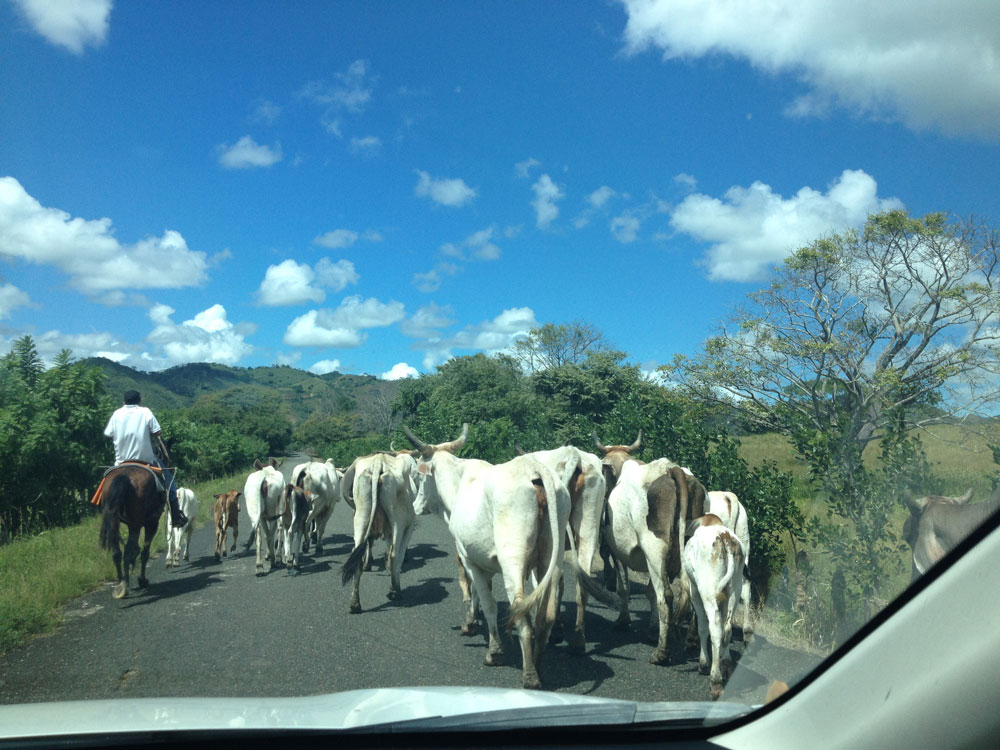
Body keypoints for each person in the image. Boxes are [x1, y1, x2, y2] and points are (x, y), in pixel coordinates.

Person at [104, 390, 188, 527]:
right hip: (146, 460)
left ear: (123, 402)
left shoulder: (116, 413)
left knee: (106, 481)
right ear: (139, 401)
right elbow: (158, 432)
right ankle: (176, 517)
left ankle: (103, 509)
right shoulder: (145, 411)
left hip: (120, 462)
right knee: (171, 485)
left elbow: (108, 434)